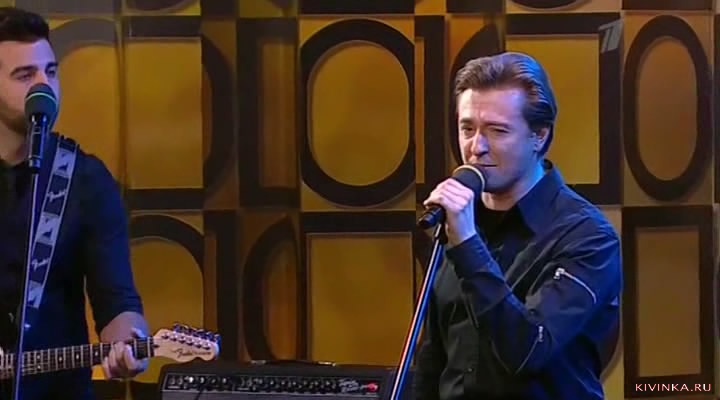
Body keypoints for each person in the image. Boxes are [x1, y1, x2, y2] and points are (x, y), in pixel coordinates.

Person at [413, 52, 622, 400]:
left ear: (539, 136)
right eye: (467, 128)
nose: (476, 147)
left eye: (497, 131)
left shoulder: (587, 236)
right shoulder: (459, 221)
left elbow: (528, 350)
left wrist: (467, 246)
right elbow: (434, 357)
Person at [0, 6, 149, 399]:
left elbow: (117, 300)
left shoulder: (85, 179)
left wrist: (129, 341)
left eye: (50, 72)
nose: (43, 86)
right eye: (25, 75)